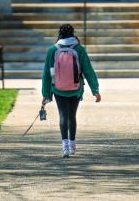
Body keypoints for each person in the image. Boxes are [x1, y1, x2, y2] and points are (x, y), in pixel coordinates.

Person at [42, 23, 101, 158]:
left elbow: (46, 73)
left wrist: (46, 94)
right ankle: (73, 145)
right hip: (76, 89)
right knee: (71, 116)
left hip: (58, 89)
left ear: (60, 34)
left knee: (63, 115)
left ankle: (65, 147)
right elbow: (88, 70)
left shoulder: (52, 49)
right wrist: (95, 90)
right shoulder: (79, 49)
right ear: (73, 33)